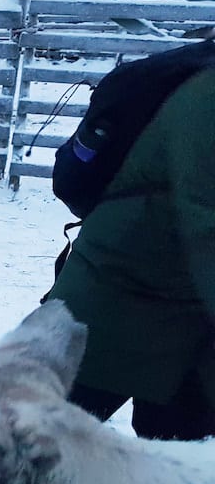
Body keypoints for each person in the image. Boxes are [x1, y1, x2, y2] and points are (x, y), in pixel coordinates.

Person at [44, 66, 215, 440]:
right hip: (115, 307)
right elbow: (207, 226)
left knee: (172, 480)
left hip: (186, 330)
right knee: (27, 458)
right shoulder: (205, 98)